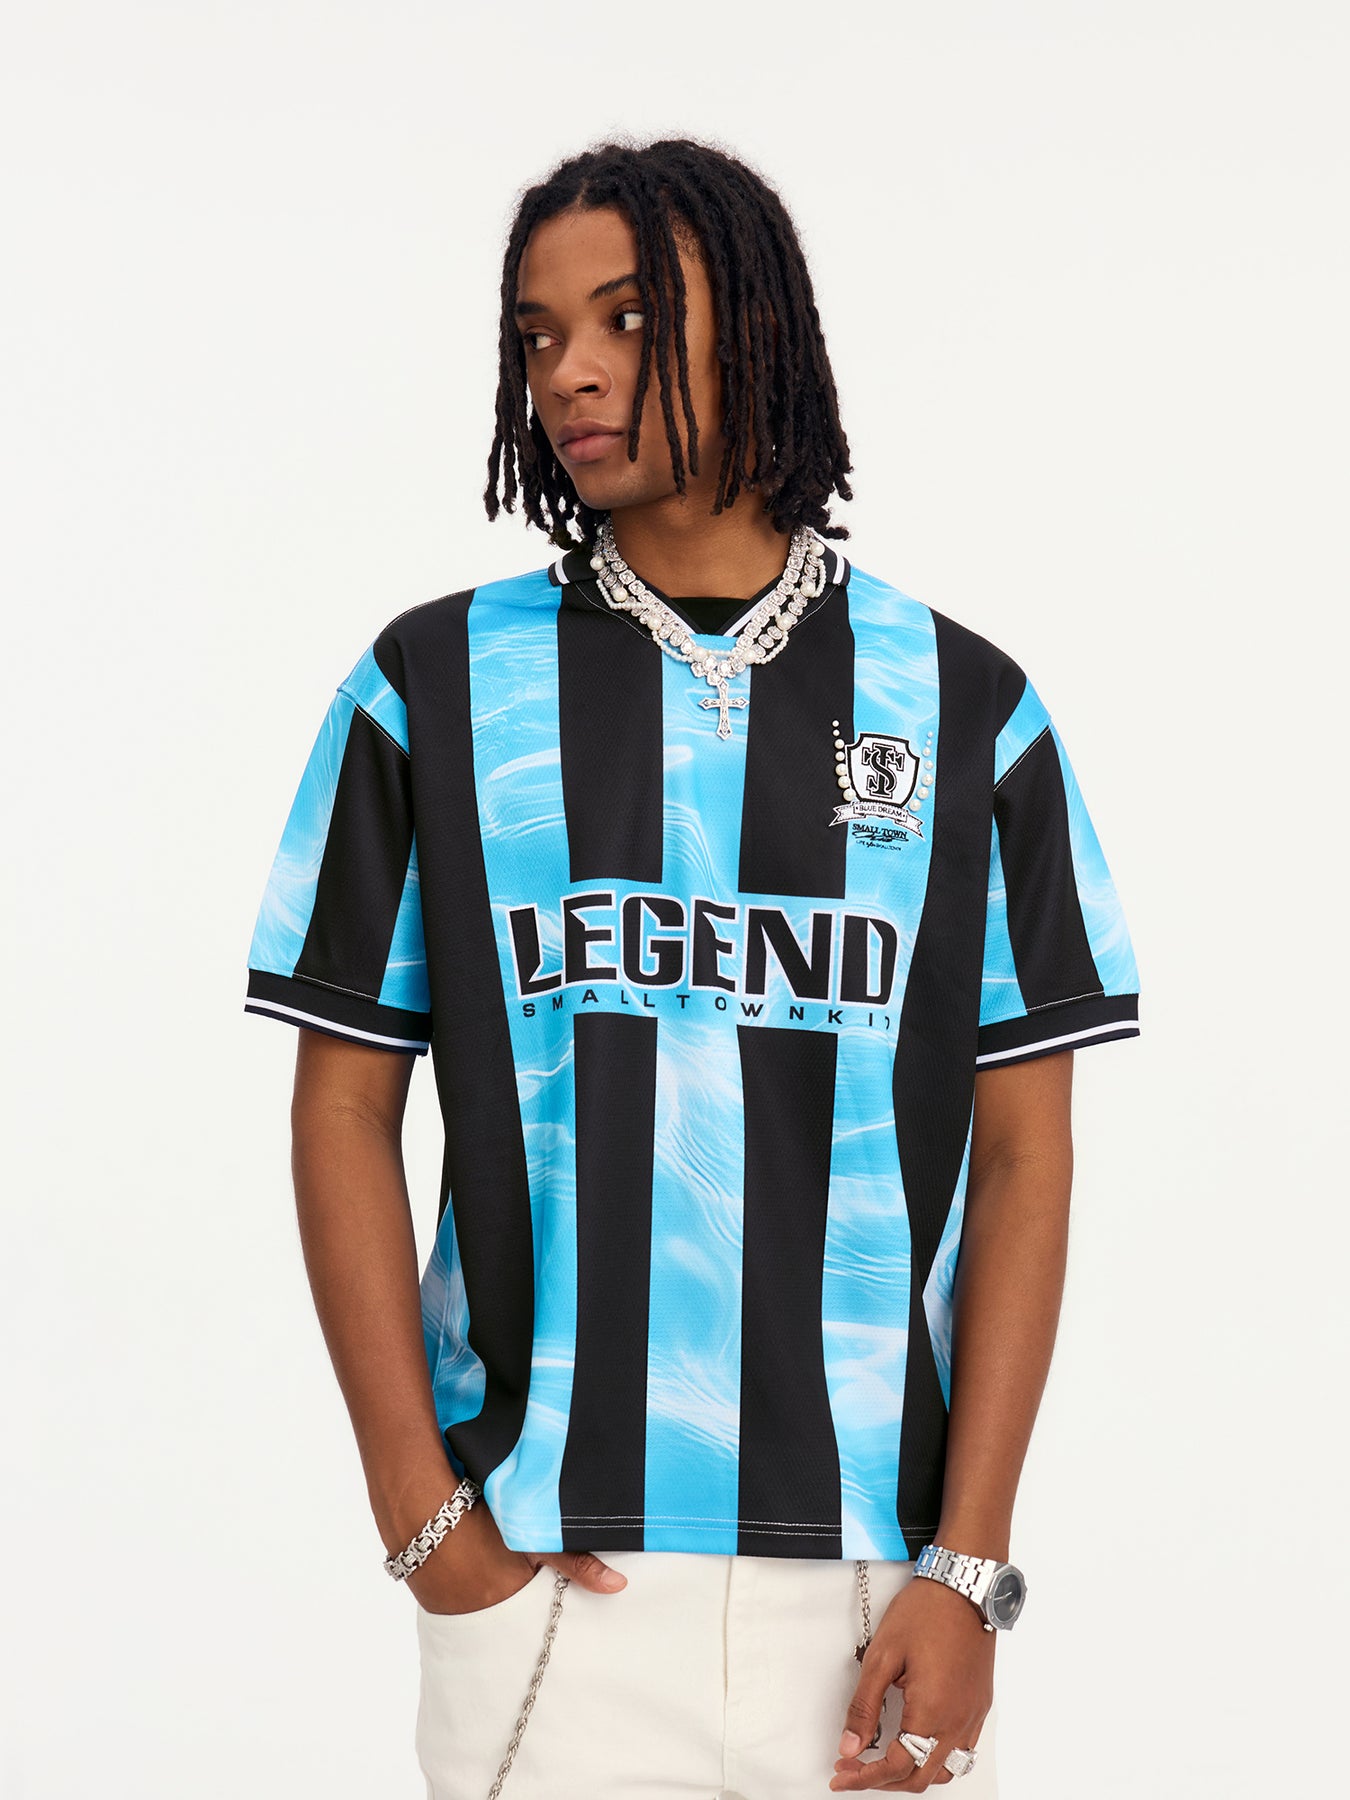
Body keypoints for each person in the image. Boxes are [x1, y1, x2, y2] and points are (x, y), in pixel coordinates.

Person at [243, 136, 1141, 1800]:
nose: (569, 371)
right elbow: (340, 1110)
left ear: (761, 329)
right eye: (535, 335)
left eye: (628, 318)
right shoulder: (429, 688)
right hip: (545, 1579)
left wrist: (967, 1571)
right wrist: (422, 1522)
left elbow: (1025, 1153)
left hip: (877, 1594)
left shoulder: (966, 709)